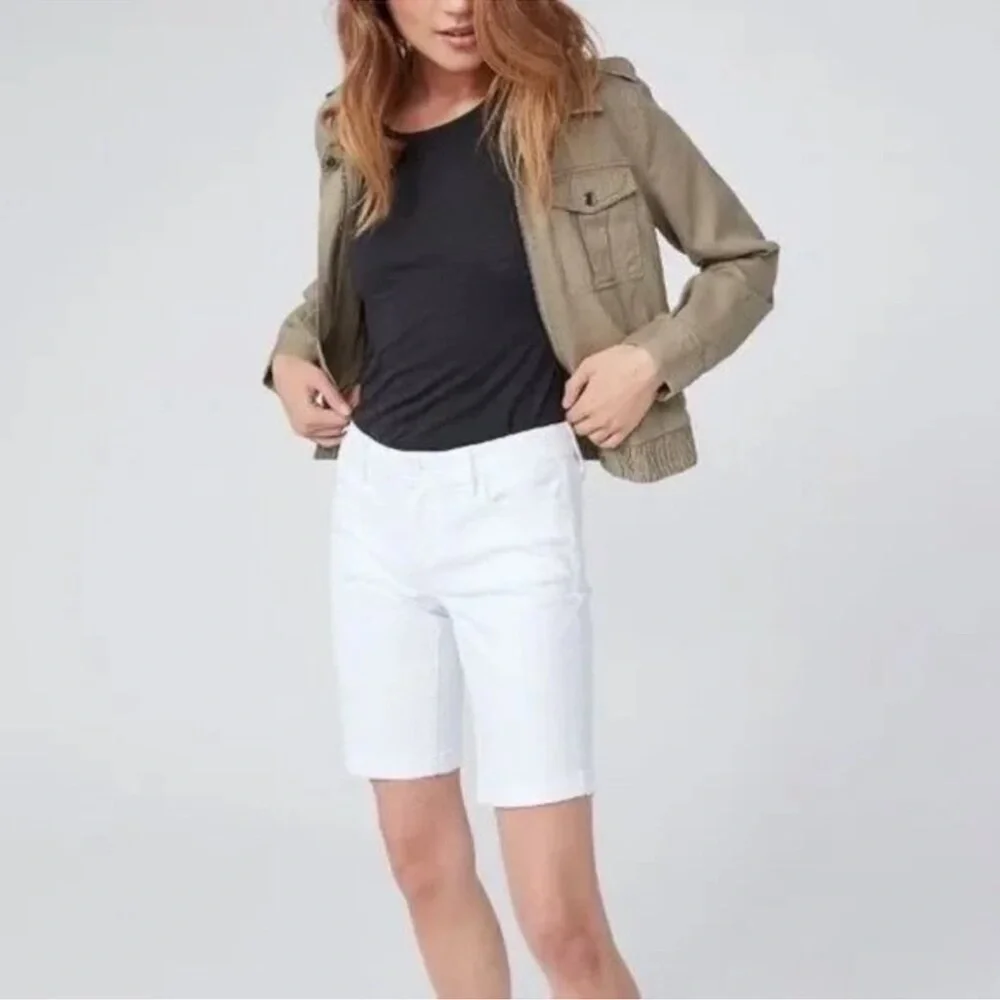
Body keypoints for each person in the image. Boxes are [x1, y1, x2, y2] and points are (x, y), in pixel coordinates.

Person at [262, 1, 779, 996]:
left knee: (558, 917)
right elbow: (360, 284)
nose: (457, 6)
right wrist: (289, 356)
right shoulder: (350, 123)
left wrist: (649, 361)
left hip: (512, 509)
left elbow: (743, 260)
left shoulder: (592, 109)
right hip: (375, 509)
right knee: (421, 864)